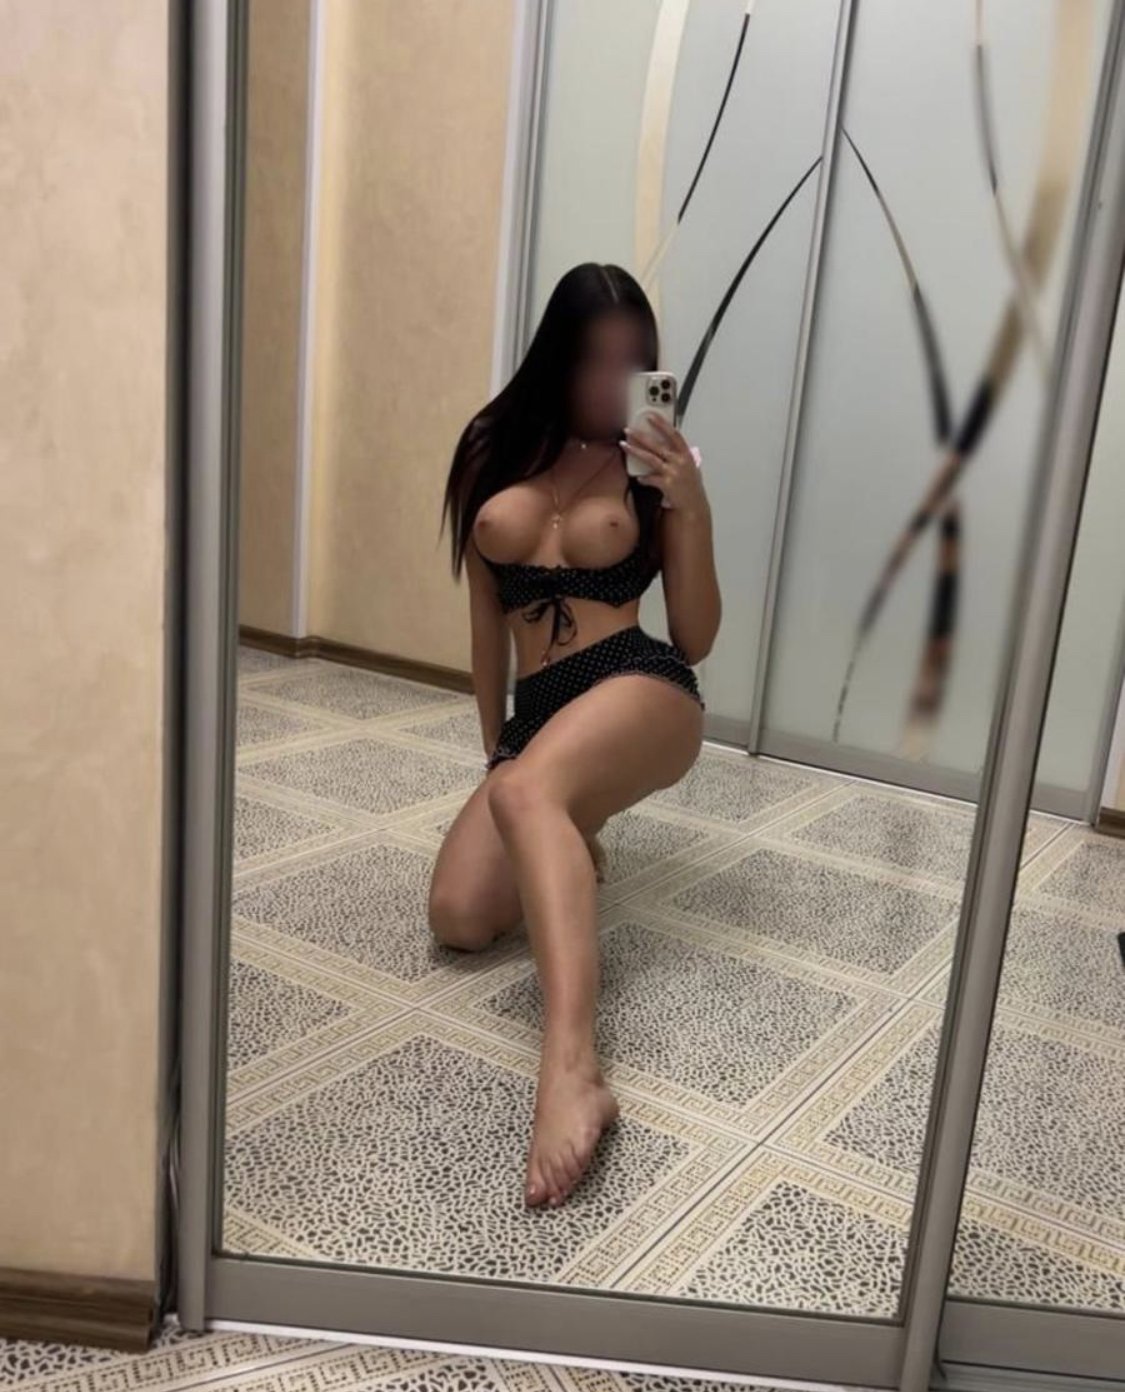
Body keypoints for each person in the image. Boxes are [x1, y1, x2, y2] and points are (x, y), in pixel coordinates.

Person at [429, 262, 721, 1209]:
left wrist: (691, 504)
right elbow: (486, 633)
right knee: (460, 917)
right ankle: (565, 822)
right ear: (556, 356)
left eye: (631, 363)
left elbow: (695, 636)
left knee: (528, 795)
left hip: (639, 682)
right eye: (594, 359)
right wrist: (496, 755)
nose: (611, 381)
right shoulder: (491, 446)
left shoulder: (656, 467)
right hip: (541, 711)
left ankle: (572, 1069)